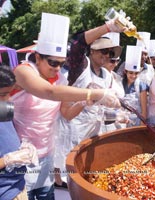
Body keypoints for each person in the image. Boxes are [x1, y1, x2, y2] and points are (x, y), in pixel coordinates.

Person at [11, 12, 122, 199]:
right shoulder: (24, 72)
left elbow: (66, 113)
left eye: (61, 63)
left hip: (46, 155)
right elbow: (48, 92)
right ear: (38, 57)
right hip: (22, 157)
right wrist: (94, 93)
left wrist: (84, 102)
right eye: (52, 62)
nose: (56, 68)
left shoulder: (60, 78)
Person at [53, 18, 127, 188]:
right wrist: (107, 28)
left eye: (110, 52)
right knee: (68, 180)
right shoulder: (81, 66)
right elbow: (78, 43)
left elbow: (100, 107)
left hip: (92, 132)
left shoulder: (107, 75)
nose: (107, 55)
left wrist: (116, 115)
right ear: (92, 51)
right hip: (72, 127)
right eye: (103, 51)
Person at [0, 64, 37, 200]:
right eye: (3, 94)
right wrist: (7, 160)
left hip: (18, 186)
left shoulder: (4, 111)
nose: (9, 99)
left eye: (10, 93)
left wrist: (23, 146)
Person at [121, 45, 148, 126]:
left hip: (136, 122)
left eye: (136, 73)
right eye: (131, 73)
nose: (133, 76)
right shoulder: (120, 84)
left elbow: (144, 111)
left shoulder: (141, 86)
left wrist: (141, 125)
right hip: (122, 121)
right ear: (126, 72)